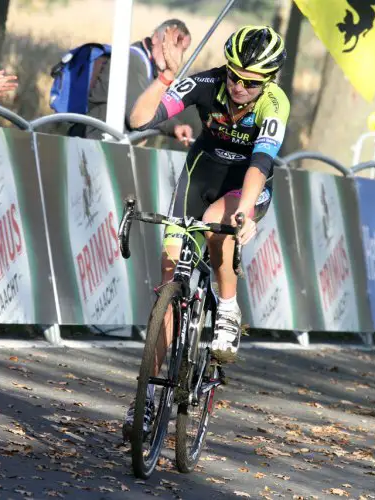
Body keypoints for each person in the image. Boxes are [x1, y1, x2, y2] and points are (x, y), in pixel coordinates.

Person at [123, 25, 290, 437]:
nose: (237, 86)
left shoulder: (274, 104)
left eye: (249, 82)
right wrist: (165, 78)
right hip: (203, 172)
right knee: (169, 272)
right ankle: (145, 400)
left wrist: (246, 212)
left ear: (267, 80)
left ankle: (229, 308)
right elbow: (139, 119)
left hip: (247, 182)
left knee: (218, 227)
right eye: (233, 75)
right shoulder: (208, 82)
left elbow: (261, 163)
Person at [67, 19, 195, 144]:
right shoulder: (132, 60)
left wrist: (176, 125)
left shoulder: (152, 68)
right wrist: (174, 127)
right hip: (94, 141)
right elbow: (138, 117)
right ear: (156, 37)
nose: (174, 53)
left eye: (182, 50)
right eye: (171, 45)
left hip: (109, 142)